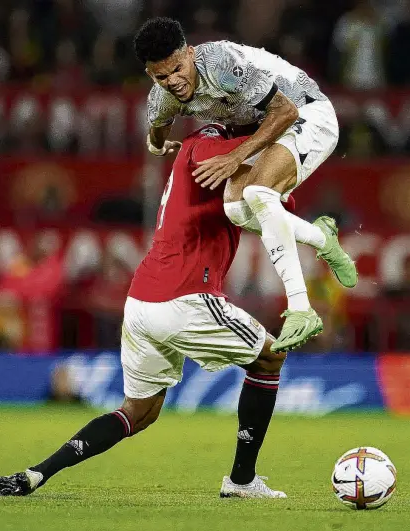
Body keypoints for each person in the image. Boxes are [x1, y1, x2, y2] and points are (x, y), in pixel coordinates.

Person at [0, 124, 294, 500]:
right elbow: (268, 193)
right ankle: (241, 480)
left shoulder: (208, 147)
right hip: (185, 295)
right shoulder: (211, 144)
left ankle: (37, 473)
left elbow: (270, 199)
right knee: (270, 357)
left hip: (142, 301)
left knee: (138, 412)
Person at [133, 17, 358, 353]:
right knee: (236, 208)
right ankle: (322, 237)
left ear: (190, 53)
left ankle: (301, 309)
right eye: (162, 76)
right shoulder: (163, 96)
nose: (175, 81)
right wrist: (157, 145)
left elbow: (285, 111)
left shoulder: (222, 65)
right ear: (152, 74)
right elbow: (158, 128)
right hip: (263, 130)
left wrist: (234, 158)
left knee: (257, 193)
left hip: (308, 113)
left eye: (178, 69)